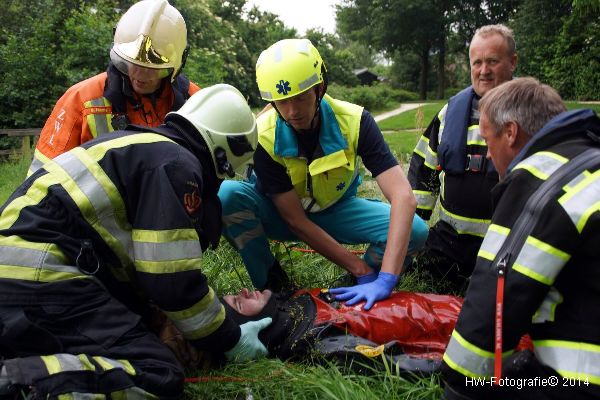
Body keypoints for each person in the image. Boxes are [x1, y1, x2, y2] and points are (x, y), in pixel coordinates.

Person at [0, 84, 271, 399]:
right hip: (41, 275)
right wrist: (228, 339)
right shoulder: (176, 164)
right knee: (155, 373)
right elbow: (171, 281)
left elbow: (131, 269)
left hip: (24, 275)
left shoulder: (138, 145)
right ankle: (14, 383)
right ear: (223, 154)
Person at [218, 38, 429, 310]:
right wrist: (359, 265)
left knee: (415, 230)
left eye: (301, 98)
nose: (292, 111)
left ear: (319, 88)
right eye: (282, 101)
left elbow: (404, 197)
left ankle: (364, 281)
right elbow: (295, 220)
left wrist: (385, 278)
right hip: (281, 216)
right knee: (228, 196)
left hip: (336, 211)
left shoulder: (356, 122)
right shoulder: (263, 135)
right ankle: (273, 283)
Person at [441, 77, 600, 399]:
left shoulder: (540, 180)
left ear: (511, 132)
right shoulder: (588, 163)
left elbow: (497, 295)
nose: (486, 154)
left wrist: (459, 385)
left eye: (487, 140)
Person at [28, 0, 200, 175]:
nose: (139, 75)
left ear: (177, 64)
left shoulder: (196, 102)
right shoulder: (80, 100)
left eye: (152, 68)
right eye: (130, 63)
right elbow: (42, 177)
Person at [408, 24, 517, 291]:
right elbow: (423, 174)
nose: (483, 71)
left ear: (513, 62)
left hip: (508, 246)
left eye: (492, 61)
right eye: (476, 62)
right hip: (449, 243)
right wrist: (412, 229)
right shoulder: (449, 113)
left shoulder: (532, 113)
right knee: (407, 276)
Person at [161, 286, 464, 375]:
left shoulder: (292, 303)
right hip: (467, 332)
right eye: (238, 302)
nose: (243, 290)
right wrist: (496, 381)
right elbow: (400, 363)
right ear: (247, 331)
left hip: (457, 305)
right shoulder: (309, 341)